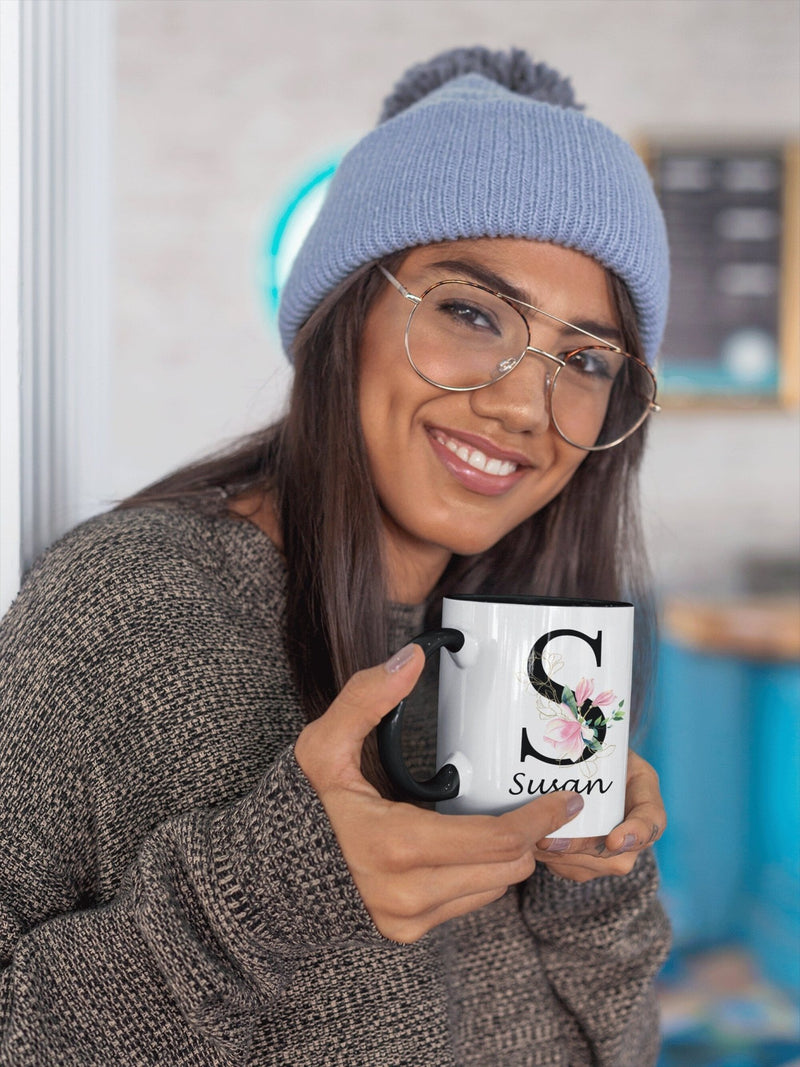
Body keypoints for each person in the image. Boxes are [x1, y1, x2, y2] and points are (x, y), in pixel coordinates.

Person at [0, 46, 671, 1066]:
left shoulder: (534, 647)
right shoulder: (127, 611)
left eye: (583, 360)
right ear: (344, 314)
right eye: (469, 312)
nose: (523, 403)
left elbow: (621, 1041)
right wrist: (266, 892)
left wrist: (596, 873)